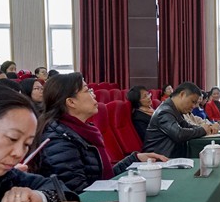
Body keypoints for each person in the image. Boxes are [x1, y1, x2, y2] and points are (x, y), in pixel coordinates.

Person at [36, 73, 167, 193]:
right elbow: (80, 194)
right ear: (71, 102)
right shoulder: (60, 140)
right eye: (87, 91)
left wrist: (136, 159)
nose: (94, 96)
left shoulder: (85, 130)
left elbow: (103, 178)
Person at [143, 81, 219, 158]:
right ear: (182, 94)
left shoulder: (174, 109)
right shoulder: (164, 111)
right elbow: (179, 134)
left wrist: (208, 127)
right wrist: (203, 130)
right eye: (193, 102)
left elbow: (187, 126)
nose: (193, 106)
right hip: (158, 162)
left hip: (171, 158)